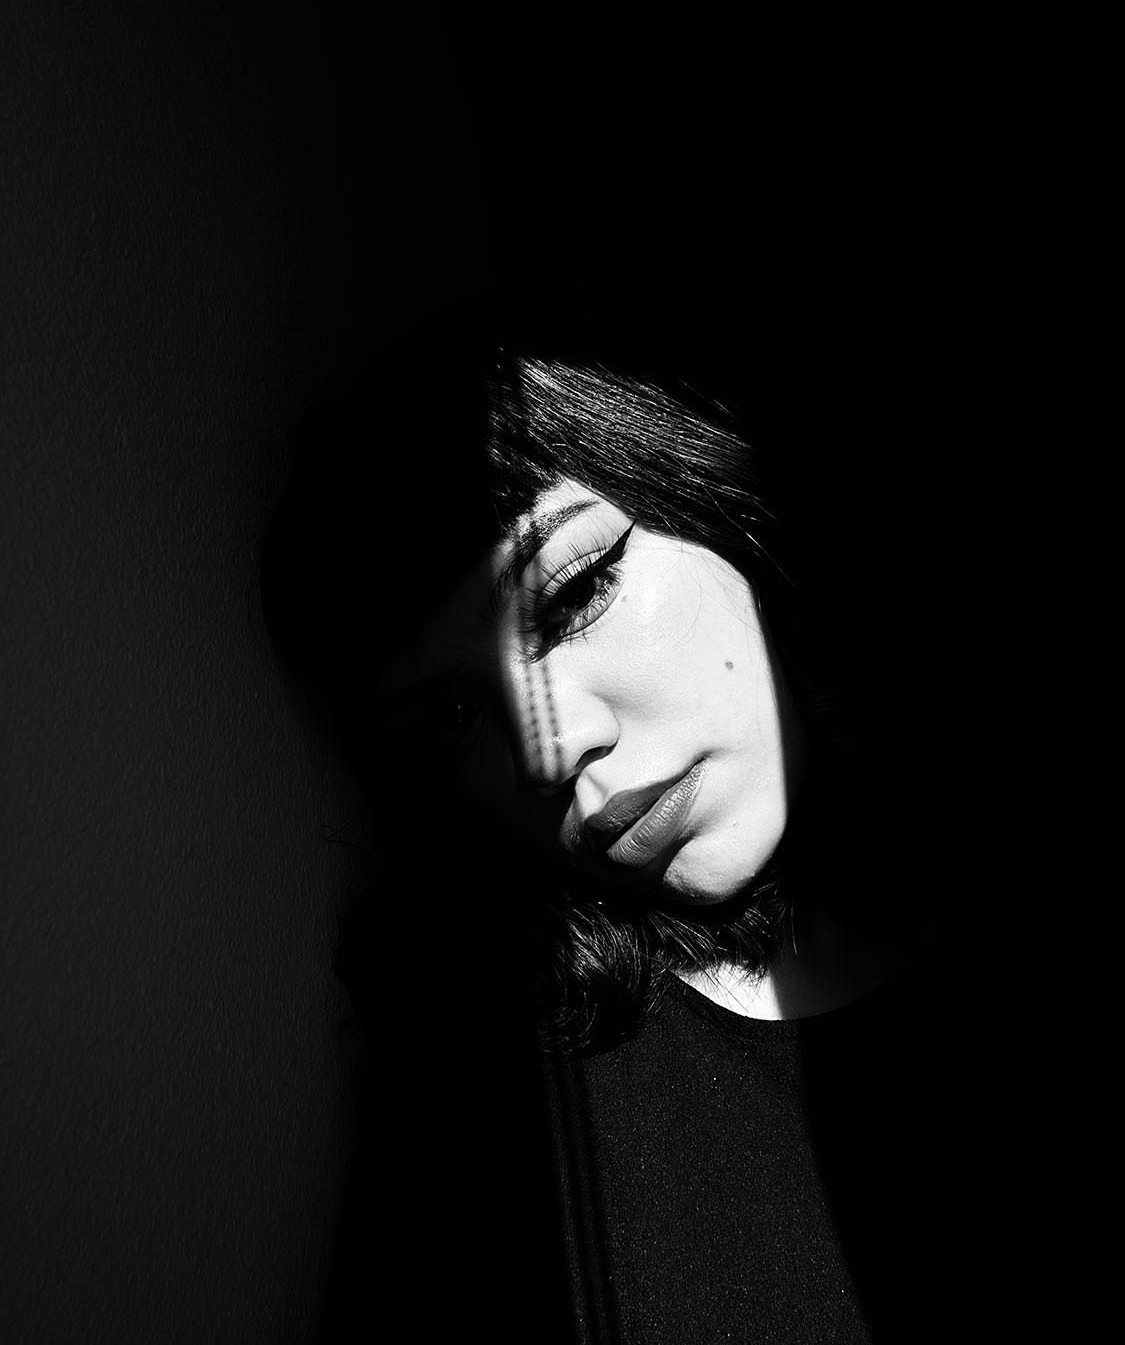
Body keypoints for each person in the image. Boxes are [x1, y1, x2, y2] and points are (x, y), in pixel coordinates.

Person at [260, 299, 981, 1343]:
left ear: (718, 495)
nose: (549, 751)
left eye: (573, 591)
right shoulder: (503, 1126)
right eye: (455, 716)